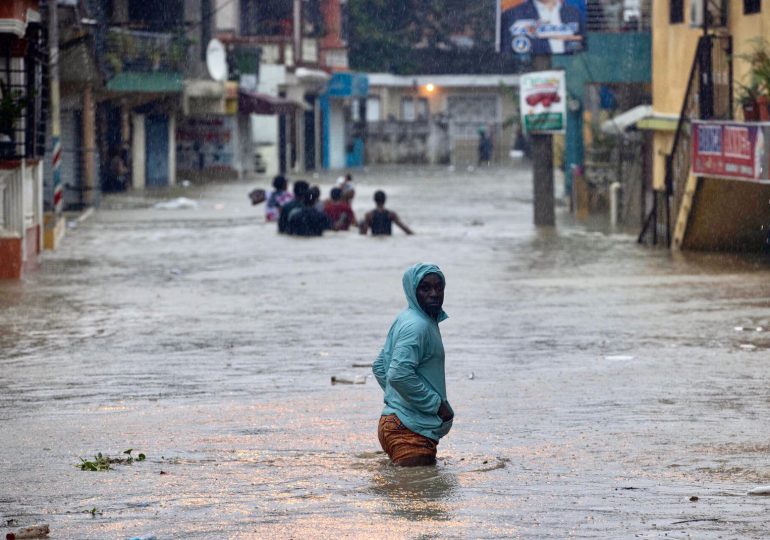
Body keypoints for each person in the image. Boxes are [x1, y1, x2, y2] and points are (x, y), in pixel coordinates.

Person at [373, 263, 454, 467]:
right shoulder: (417, 326)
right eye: (425, 288)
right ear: (412, 290)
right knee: (421, 496)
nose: (434, 294)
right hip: (409, 432)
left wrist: (400, 399)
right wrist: (436, 405)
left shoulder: (407, 318)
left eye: (439, 287)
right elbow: (399, 375)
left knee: (412, 493)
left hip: (397, 424)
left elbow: (380, 367)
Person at [500, 0, 584, 56]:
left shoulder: (574, 14)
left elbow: (582, 50)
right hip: (530, 73)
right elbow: (507, 55)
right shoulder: (512, 15)